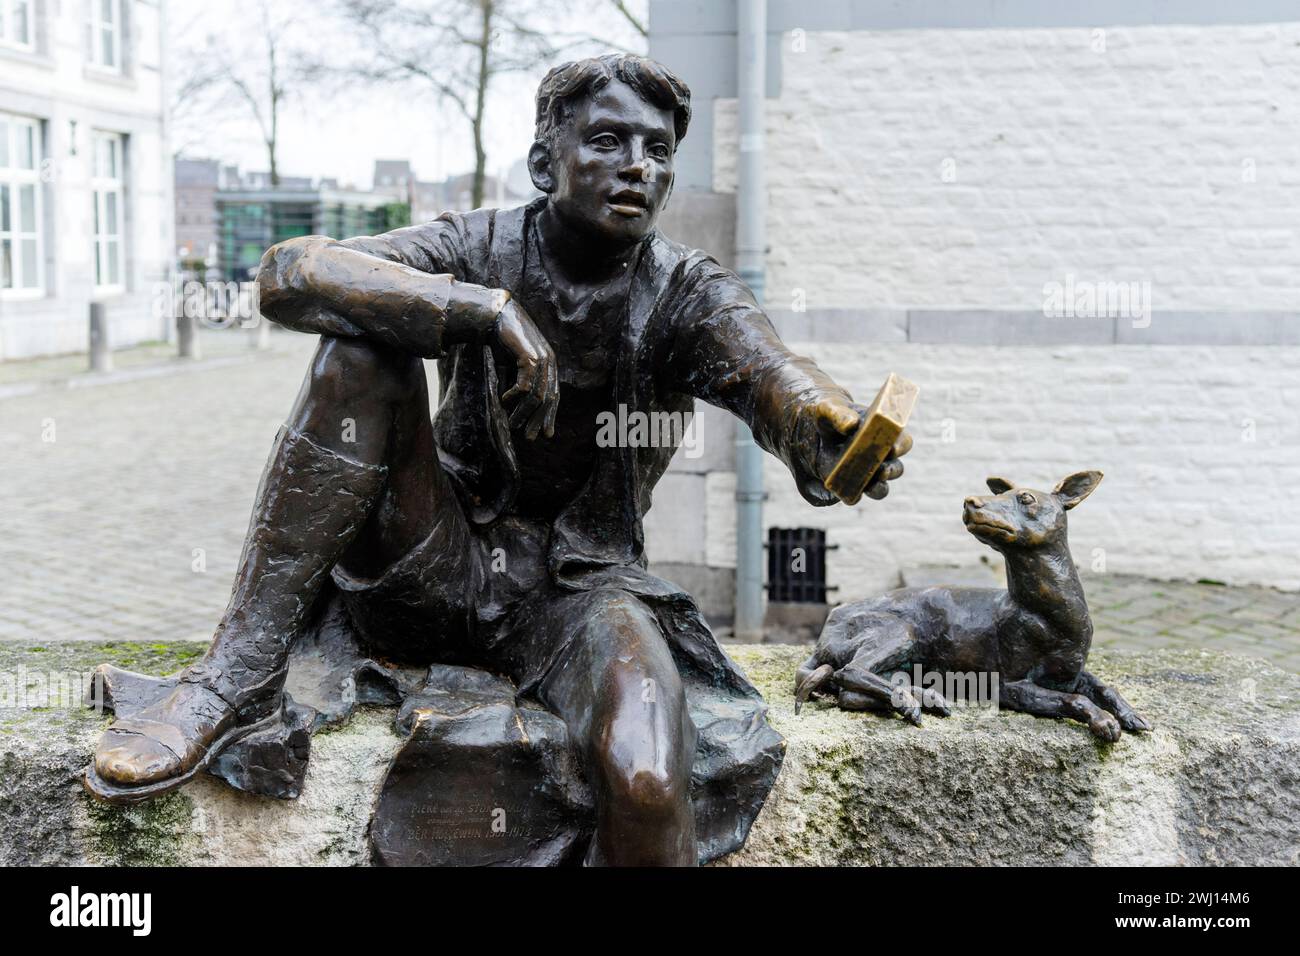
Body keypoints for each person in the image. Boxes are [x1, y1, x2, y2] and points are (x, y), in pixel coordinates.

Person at [90, 54, 910, 865]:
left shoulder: (686, 292)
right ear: (543, 162)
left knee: (653, 777)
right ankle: (235, 678)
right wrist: (477, 310)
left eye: (658, 151)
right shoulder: (476, 245)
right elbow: (292, 273)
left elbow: (772, 375)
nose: (637, 168)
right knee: (360, 350)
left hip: (580, 596)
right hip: (433, 563)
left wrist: (824, 426)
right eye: (608, 141)